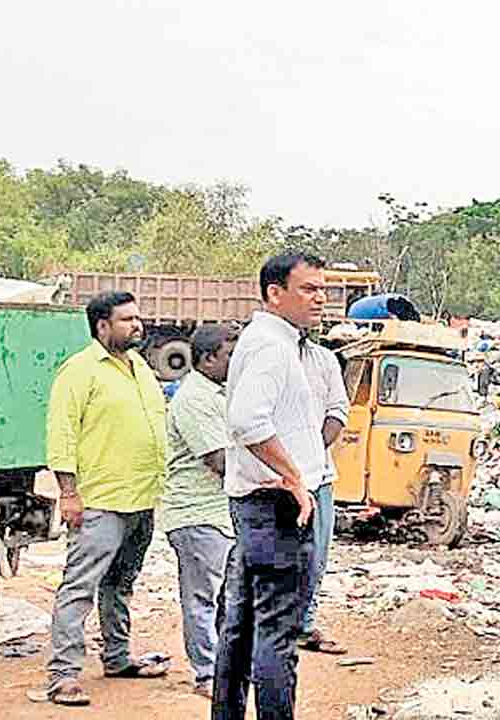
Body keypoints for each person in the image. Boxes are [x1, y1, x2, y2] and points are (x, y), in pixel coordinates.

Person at [42, 291, 171, 707]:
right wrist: (68, 493)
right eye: (127, 319)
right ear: (102, 326)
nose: (138, 325)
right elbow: (62, 433)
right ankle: (63, 676)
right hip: (100, 500)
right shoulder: (79, 371)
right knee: (79, 587)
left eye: (137, 317)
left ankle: (117, 658)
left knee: (120, 584)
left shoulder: (140, 367)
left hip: (142, 497)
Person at [212, 252, 325, 720]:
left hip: (257, 502)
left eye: (322, 289)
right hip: (275, 505)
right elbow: (247, 420)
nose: (320, 298)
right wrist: (295, 477)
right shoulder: (272, 346)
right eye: (308, 289)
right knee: (278, 634)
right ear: (275, 294)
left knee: (240, 629)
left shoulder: (269, 341)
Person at [161, 324, 238, 698]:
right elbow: (219, 460)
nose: (236, 362)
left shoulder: (217, 394)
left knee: (225, 598)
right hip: (197, 514)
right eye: (229, 355)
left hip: (218, 514)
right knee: (202, 600)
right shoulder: (194, 398)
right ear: (208, 359)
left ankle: (223, 670)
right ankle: (207, 674)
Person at [297, 336, 349, 655]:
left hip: (320, 477)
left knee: (316, 556)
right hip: (272, 477)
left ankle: (304, 624)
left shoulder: (324, 359)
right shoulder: (262, 351)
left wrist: (314, 450)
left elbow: (338, 410)